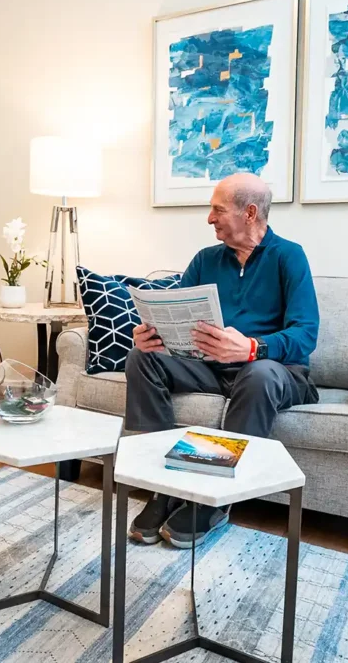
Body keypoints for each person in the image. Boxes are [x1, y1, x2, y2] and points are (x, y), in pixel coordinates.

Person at [126, 173, 320, 549]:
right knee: (140, 358)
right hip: (211, 369)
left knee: (259, 374)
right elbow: (178, 317)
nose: (209, 218)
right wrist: (154, 336)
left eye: (217, 209)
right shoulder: (205, 259)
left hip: (275, 371)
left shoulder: (289, 257)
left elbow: (305, 334)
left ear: (249, 213)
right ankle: (162, 486)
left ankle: (211, 500)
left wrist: (251, 348)